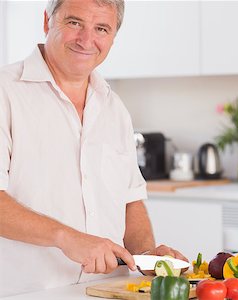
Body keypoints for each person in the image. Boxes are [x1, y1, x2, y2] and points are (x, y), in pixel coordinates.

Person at [0, 0, 187, 296]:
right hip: (26, 291)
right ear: (47, 21)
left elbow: (130, 200)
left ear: (113, 37)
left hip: (109, 289)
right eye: (74, 23)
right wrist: (67, 237)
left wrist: (148, 255)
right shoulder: (5, 92)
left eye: (101, 28)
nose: (87, 40)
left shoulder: (114, 107)